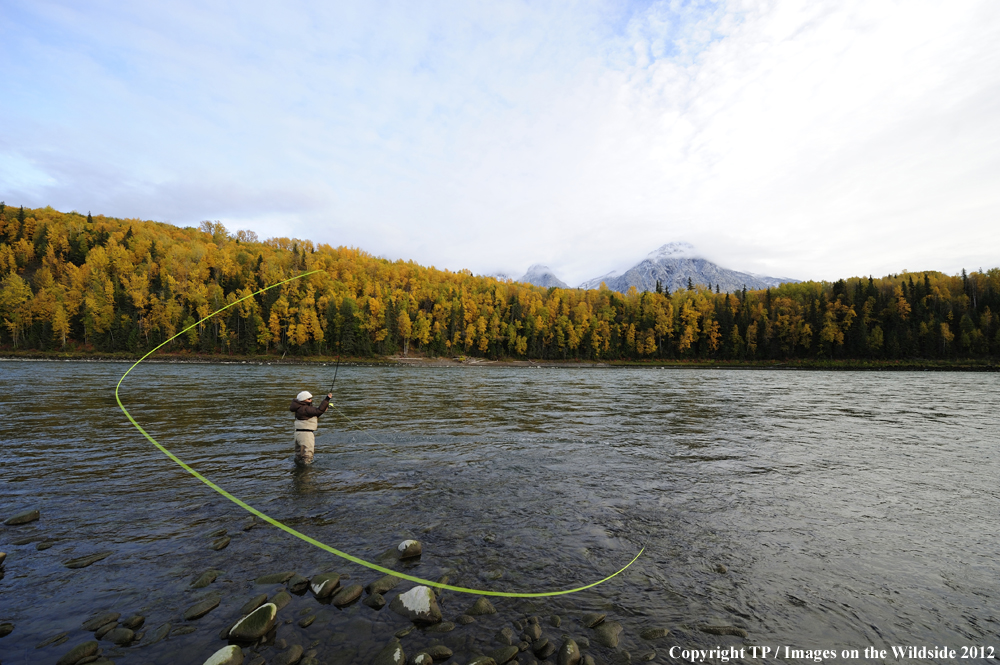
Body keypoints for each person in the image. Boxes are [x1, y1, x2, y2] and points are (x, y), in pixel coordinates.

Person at [289, 390, 332, 465]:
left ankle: (299, 474)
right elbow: (318, 411)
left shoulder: (299, 408)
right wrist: (327, 399)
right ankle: (306, 475)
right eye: (309, 399)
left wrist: (322, 410)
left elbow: (314, 414)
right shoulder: (305, 408)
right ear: (303, 400)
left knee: (299, 457)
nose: (311, 400)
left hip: (298, 434)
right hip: (306, 435)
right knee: (307, 458)